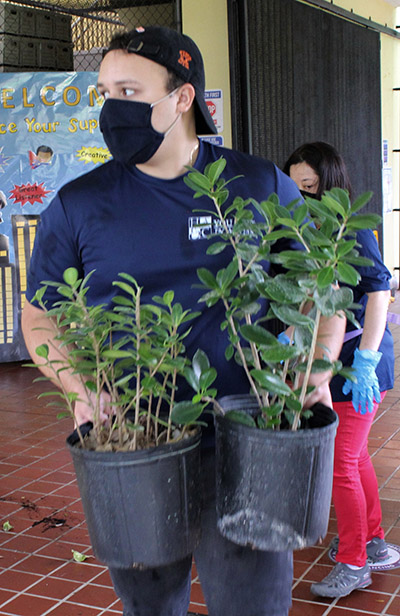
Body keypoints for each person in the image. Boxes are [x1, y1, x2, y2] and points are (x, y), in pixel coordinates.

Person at [22, 29, 345, 616]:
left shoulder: (258, 185)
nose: (112, 106)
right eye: (104, 92)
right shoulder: (78, 204)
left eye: (129, 89)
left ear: (181, 97)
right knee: (149, 604)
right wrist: (79, 387)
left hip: (248, 438)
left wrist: (316, 370)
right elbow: (39, 316)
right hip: (135, 437)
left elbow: (321, 288)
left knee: (253, 605)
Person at [283, 141, 394, 599]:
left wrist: (366, 361)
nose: (303, 198)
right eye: (293, 189)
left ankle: (354, 562)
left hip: (357, 364)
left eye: (309, 187)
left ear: (330, 183)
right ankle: (373, 543)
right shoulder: (303, 233)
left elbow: (379, 292)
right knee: (356, 456)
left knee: (341, 463)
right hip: (329, 361)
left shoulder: (350, 230)